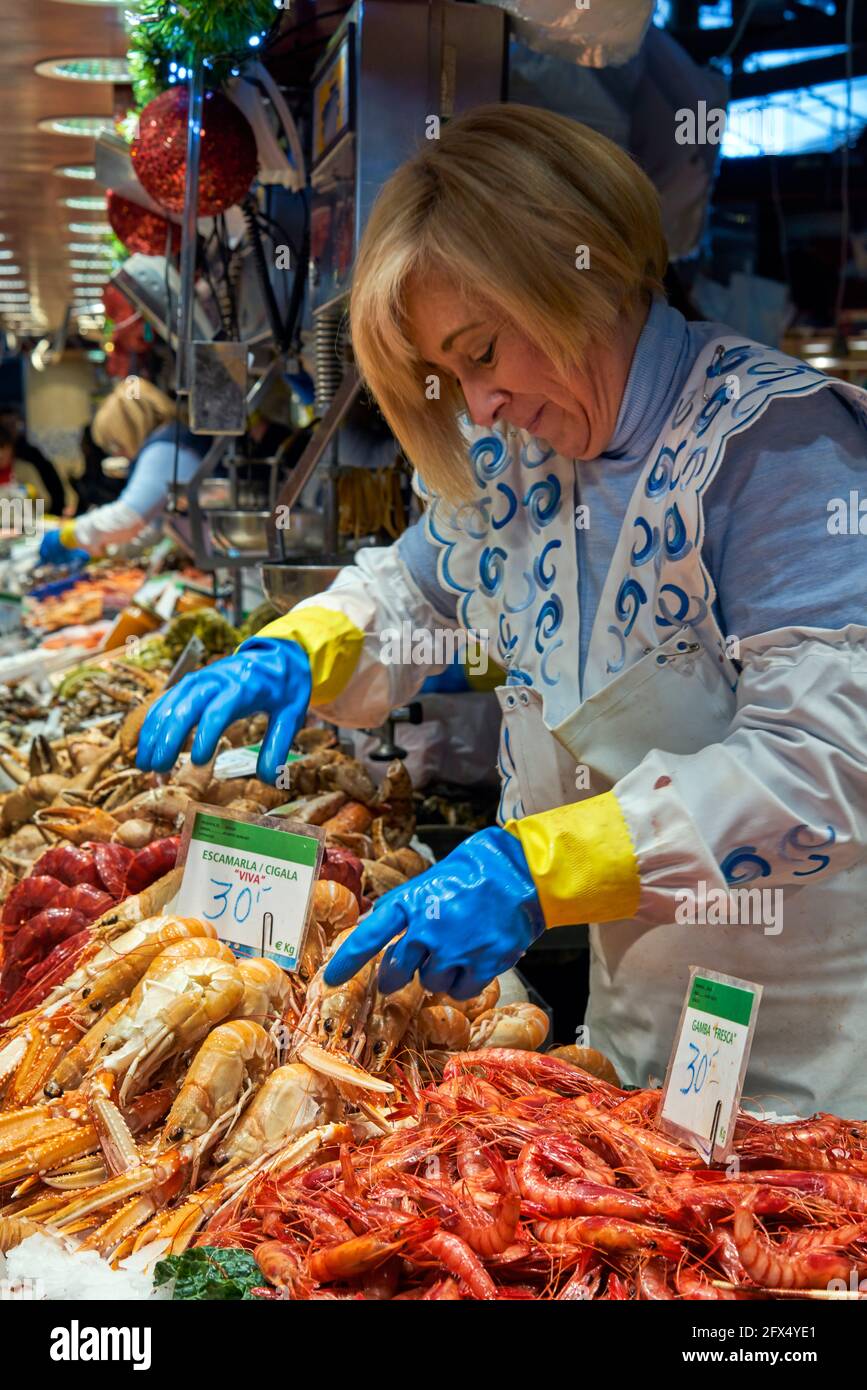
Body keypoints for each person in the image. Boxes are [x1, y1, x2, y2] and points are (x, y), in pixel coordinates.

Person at [137, 105, 867, 1114]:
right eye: (450, 373)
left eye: (481, 351)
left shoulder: (782, 450)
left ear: (583, 271)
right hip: (636, 1039)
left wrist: (538, 865)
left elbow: (822, 769)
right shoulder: (528, 462)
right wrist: (306, 643)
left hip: (815, 1062)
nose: (477, 406)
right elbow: (414, 589)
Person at [38, 379, 212, 567]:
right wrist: (103, 546)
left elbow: (127, 517)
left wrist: (70, 534)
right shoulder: (171, 441)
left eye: (116, 444)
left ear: (129, 429)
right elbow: (149, 529)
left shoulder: (164, 449)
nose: (119, 454)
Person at [0, 407, 66, 513]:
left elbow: (46, 501)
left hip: (25, 525)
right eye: (6, 426)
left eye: (13, 425)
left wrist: (31, 497)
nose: (1, 454)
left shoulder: (27, 464)